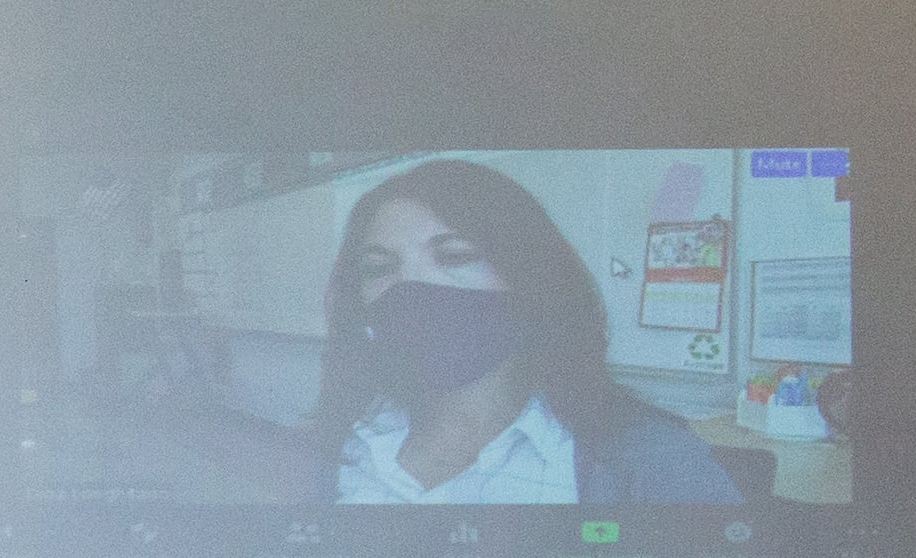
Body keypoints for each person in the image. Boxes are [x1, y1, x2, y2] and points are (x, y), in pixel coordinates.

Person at [314, 158, 746, 509]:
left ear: (529, 279)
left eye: (455, 255)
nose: (411, 287)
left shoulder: (654, 461)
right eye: (377, 267)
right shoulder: (346, 437)